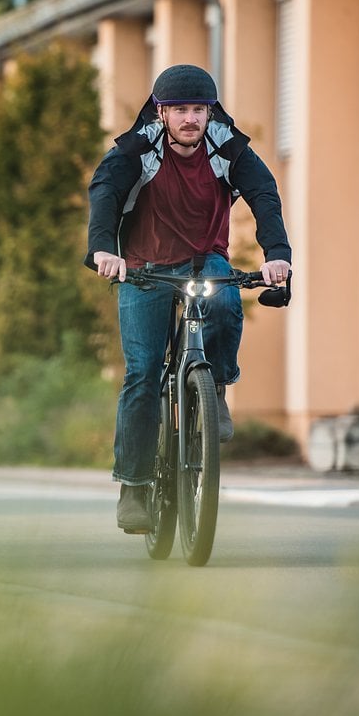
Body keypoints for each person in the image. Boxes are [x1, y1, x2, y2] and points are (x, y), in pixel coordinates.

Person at [84, 64, 292, 534]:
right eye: (180, 110)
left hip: (205, 260)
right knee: (141, 374)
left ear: (209, 111)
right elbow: (105, 192)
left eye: (198, 109)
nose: (190, 119)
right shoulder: (139, 149)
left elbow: (263, 193)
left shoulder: (226, 146)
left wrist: (277, 254)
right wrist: (103, 250)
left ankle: (213, 385)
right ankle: (134, 487)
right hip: (143, 268)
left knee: (225, 299)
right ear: (162, 112)